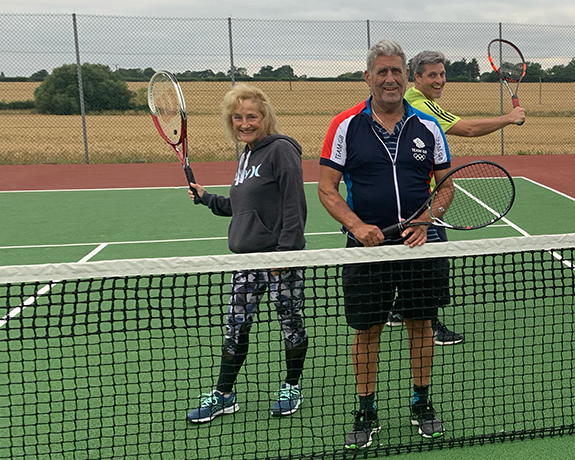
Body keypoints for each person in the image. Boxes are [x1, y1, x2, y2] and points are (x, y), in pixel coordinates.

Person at [319, 39, 449, 448]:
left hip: (422, 245)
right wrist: (357, 226)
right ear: (368, 77)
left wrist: (428, 220)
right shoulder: (344, 125)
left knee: (421, 325)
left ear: (406, 77)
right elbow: (326, 189)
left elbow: (446, 185)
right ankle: (366, 408)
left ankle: (422, 401)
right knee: (367, 330)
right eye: (382, 71)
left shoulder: (427, 126)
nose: (390, 79)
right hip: (367, 248)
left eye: (397, 71)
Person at [382, 49, 528, 345]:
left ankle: (398, 309)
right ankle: (430, 324)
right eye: (432, 75)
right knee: (434, 260)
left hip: (404, 192)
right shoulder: (418, 103)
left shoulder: (415, 101)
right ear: (417, 78)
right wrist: (510, 118)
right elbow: (469, 129)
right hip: (414, 198)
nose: (439, 80)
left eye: (442, 74)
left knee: (408, 256)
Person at [184, 83, 309, 422]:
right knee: (235, 327)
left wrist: (285, 255)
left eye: (251, 116)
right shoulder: (247, 154)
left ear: (265, 116)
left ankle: (291, 386)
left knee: (290, 323)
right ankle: (224, 395)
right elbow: (241, 207)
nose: (244, 123)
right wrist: (208, 198)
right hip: (246, 261)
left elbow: (294, 206)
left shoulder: (281, 150)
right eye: (237, 117)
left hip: (279, 259)